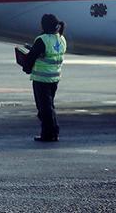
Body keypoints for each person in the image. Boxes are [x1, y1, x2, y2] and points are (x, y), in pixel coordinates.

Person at [23, 14, 66, 142]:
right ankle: (52, 132)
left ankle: (49, 134)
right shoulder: (61, 39)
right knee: (49, 106)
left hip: (41, 79)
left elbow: (31, 57)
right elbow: (50, 54)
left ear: (43, 25)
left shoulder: (42, 39)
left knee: (44, 108)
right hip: (54, 78)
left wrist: (26, 68)